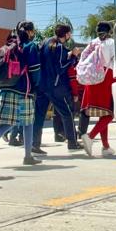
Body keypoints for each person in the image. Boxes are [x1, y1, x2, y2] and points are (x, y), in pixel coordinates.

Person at [0, 21, 41, 168]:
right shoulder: (30, 46)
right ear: (30, 32)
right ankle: (27, 156)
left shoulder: (10, 45)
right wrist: (36, 85)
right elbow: (35, 69)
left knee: (9, 121)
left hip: (6, 86)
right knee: (28, 121)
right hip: (23, 89)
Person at [32, 23, 81, 153]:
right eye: (69, 33)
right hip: (56, 87)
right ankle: (72, 142)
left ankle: (34, 144)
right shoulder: (59, 47)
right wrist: (73, 56)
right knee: (67, 114)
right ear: (66, 34)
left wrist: (69, 55)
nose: (70, 35)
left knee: (39, 116)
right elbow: (60, 68)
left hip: (42, 85)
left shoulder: (45, 42)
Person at [79, 21, 116, 158]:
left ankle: (106, 147)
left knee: (104, 113)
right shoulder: (112, 43)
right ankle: (90, 136)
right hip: (106, 78)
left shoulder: (92, 43)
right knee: (110, 113)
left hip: (92, 79)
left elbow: (82, 58)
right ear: (110, 31)